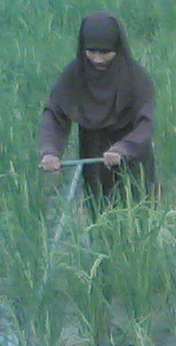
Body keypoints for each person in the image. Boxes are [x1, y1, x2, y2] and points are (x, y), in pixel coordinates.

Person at [39, 11, 157, 209]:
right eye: (91, 51)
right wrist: (50, 151)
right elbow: (54, 114)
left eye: (105, 52)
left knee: (137, 215)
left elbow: (146, 122)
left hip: (133, 158)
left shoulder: (136, 77)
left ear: (118, 48)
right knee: (99, 213)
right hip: (93, 153)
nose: (98, 59)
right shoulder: (74, 74)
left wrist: (123, 148)